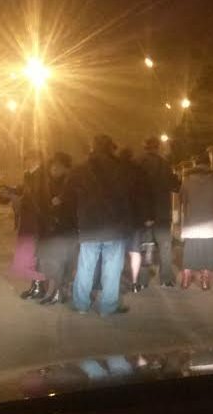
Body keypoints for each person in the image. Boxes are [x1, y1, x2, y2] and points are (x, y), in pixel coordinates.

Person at [69, 135, 131, 316]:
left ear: (93, 147)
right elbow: (129, 197)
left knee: (85, 266)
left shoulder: (80, 169)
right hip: (115, 226)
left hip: (89, 225)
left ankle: (81, 305)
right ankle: (107, 307)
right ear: (111, 148)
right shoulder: (122, 168)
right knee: (112, 268)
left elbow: (70, 195)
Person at [34, 153, 78, 305]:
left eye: (57, 166)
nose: (53, 169)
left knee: (64, 261)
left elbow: (74, 204)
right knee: (54, 261)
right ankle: (57, 291)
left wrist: (61, 201)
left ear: (66, 167)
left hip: (67, 227)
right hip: (53, 227)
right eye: (52, 166)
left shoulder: (71, 182)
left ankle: (60, 291)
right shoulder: (49, 183)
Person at [179, 153, 213, 290]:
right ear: (209, 164)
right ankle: (205, 280)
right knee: (209, 251)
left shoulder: (187, 180)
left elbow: (182, 199)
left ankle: (186, 279)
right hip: (210, 224)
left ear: (195, 164)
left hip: (192, 223)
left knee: (190, 250)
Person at [138, 137, 180, 287]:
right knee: (165, 246)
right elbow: (175, 186)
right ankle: (166, 278)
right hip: (162, 212)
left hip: (144, 213)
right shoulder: (165, 164)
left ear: (145, 147)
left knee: (145, 246)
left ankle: (143, 280)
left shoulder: (139, 163)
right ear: (158, 147)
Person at [14, 151, 48, 300]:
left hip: (36, 222)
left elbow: (36, 198)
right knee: (32, 255)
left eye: (27, 160)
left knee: (36, 255)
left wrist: (23, 199)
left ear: (35, 160)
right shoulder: (30, 175)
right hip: (30, 221)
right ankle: (35, 286)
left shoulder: (39, 176)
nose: (25, 163)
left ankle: (39, 287)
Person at [119, 147, 152, 293]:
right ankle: (134, 283)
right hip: (136, 219)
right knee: (135, 251)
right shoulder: (140, 172)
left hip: (118, 218)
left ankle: (116, 281)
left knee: (117, 252)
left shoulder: (114, 172)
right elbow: (147, 195)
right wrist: (148, 216)